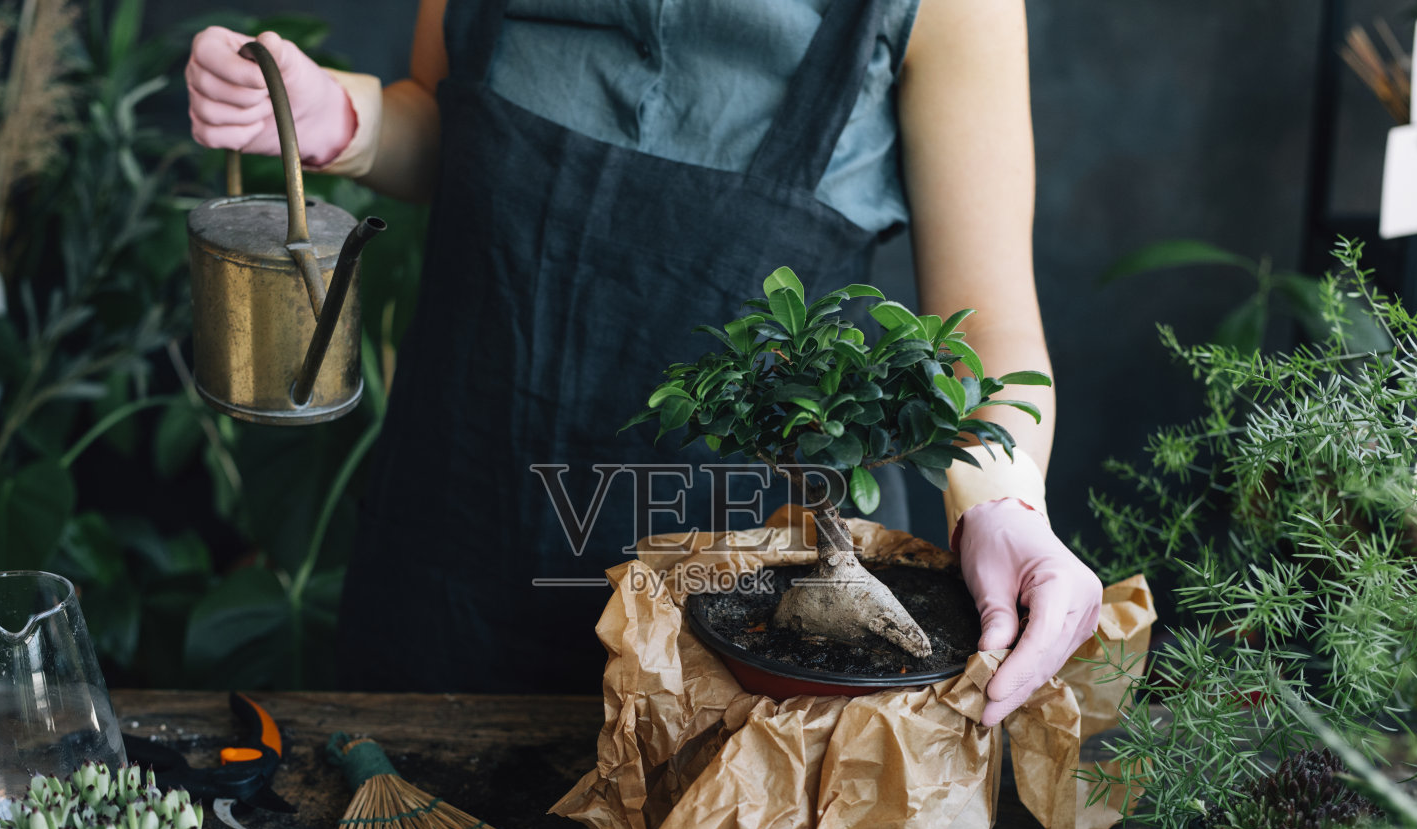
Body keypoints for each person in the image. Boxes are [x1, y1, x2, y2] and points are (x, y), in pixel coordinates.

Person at [185, 0, 1102, 725]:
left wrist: (1001, 497)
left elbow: (986, 331)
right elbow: (443, 122)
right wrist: (346, 117)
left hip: (755, 630)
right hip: (454, 558)